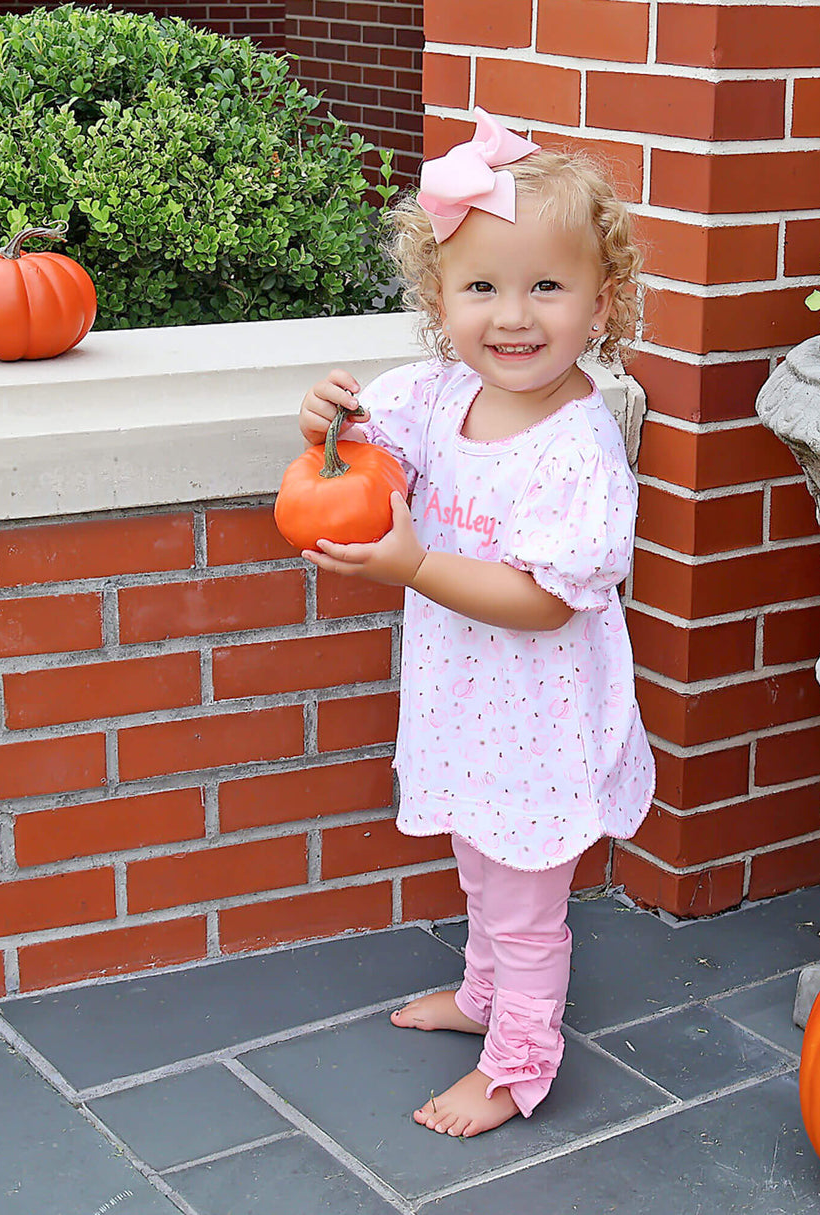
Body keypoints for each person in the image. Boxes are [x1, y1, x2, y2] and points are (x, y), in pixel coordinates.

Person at [297, 108, 654, 1138]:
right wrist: (322, 421)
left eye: (546, 286)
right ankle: (480, 995)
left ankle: (518, 1063)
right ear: (437, 300)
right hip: (468, 697)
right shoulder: (437, 394)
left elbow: (546, 600)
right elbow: (370, 448)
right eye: (481, 287)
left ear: (602, 302)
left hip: (541, 712)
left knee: (528, 902)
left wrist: (416, 565)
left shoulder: (577, 448)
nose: (513, 316)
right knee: (476, 858)